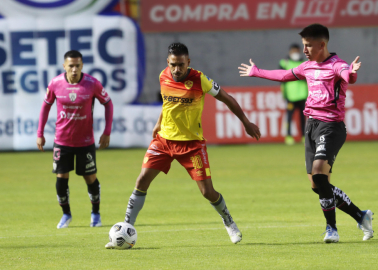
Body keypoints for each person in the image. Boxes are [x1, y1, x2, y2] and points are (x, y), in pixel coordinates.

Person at [105, 43, 261, 248]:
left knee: (207, 192)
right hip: (164, 141)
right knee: (142, 180)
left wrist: (246, 122)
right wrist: (159, 122)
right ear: (167, 63)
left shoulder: (200, 79)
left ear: (188, 62)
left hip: (192, 145)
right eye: (173, 65)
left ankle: (229, 222)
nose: (177, 69)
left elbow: (227, 98)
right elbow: (167, 103)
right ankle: (126, 229)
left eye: (181, 65)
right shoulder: (163, 76)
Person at [239, 24, 373, 243]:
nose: (304, 50)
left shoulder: (337, 65)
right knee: (317, 185)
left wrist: (352, 72)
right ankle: (360, 215)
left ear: (322, 44)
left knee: (320, 173)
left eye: (308, 45)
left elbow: (347, 75)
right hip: (311, 125)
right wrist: (257, 72)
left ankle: (332, 229)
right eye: (303, 45)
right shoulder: (307, 67)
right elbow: (284, 75)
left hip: (331, 127)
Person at [37, 50, 114, 229]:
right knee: (61, 179)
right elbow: (45, 107)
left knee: (90, 178)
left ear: (82, 66)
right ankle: (66, 215)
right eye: (70, 66)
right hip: (62, 141)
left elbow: (108, 103)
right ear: (64, 66)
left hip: (85, 142)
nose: (74, 69)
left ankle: (95, 214)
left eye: (77, 66)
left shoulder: (92, 84)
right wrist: (40, 133)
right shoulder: (55, 83)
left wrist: (107, 131)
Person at [279, 44, 308, 145]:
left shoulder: (305, 63)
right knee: (289, 117)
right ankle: (288, 136)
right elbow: (281, 78)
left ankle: (304, 136)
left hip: (303, 94)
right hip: (290, 95)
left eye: (297, 51)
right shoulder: (284, 63)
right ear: (290, 51)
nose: (295, 53)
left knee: (302, 117)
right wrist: (284, 94)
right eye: (293, 51)